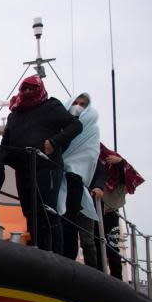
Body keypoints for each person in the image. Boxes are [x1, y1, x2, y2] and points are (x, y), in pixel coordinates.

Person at [1, 75, 82, 253]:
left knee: (48, 212)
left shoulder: (51, 106)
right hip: (23, 171)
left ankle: (56, 255)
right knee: (30, 214)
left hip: (47, 169)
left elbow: (76, 126)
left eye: (32, 88)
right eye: (25, 89)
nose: (28, 92)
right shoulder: (15, 115)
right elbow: (6, 145)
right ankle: (38, 251)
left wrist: (54, 142)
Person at [58, 93, 102, 266]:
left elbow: (91, 156)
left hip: (76, 181)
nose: (78, 106)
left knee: (77, 229)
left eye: (83, 104)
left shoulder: (92, 131)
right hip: (57, 176)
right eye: (75, 102)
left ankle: (90, 269)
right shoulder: (59, 126)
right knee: (59, 222)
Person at [93, 144, 144, 278]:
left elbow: (131, 176)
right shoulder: (90, 158)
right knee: (96, 246)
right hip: (93, 211)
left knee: (112, 248)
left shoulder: (114, 160)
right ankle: (98, 279)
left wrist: (120, 163)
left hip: (110, 211)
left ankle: (117, 280)